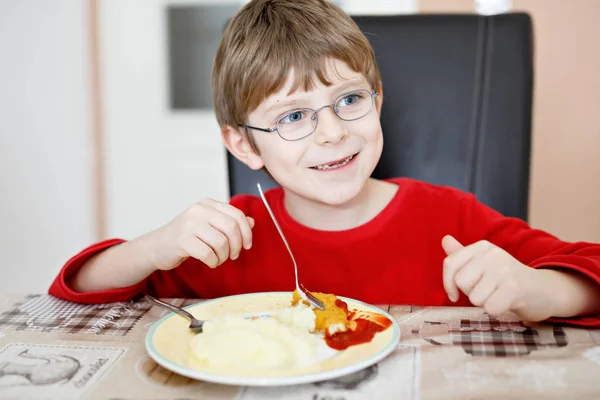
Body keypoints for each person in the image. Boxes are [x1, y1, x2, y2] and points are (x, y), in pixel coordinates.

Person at [49, 0, 600, 326]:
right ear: (244, 145)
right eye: (292, 117)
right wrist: (156, 245)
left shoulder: (450, 220)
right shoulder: (230, 239)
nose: (334, 133)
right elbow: (77, 291)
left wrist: (538, 289)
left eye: (350, 101)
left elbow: (590, 271)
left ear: (377, 101)